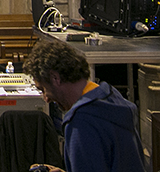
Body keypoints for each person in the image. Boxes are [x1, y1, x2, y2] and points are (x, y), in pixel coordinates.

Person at [21, 39, 144, 172]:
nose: (46, 98)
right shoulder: (112, 98)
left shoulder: (81, 121)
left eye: (43, 89)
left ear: (55, 78)